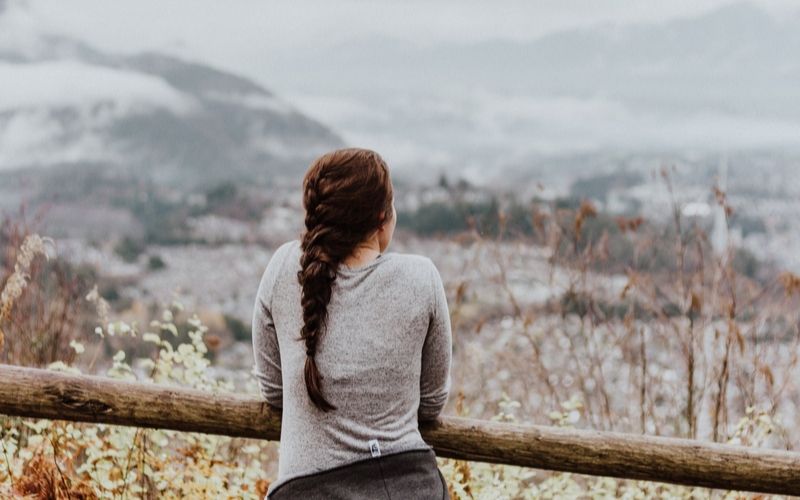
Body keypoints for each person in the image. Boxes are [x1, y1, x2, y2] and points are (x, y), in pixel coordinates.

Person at [251, 148, 453, 499]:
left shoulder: (284, 268)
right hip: (407, 487)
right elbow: (432, 402)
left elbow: (273, 390)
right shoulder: (422, 279)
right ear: (381, 216)